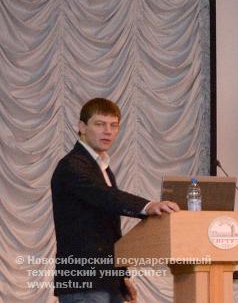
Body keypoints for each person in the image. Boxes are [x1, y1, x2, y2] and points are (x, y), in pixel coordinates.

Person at [51, 98, 180, 302]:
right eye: (100, 124)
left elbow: (107, 232)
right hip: (85, 282)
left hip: (105, 281)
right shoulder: (72, 165)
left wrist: (120, 278)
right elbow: (107, 197)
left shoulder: (102, 167)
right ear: (81, 127)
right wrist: (148, 206)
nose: (108, 131)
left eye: (113, 125)